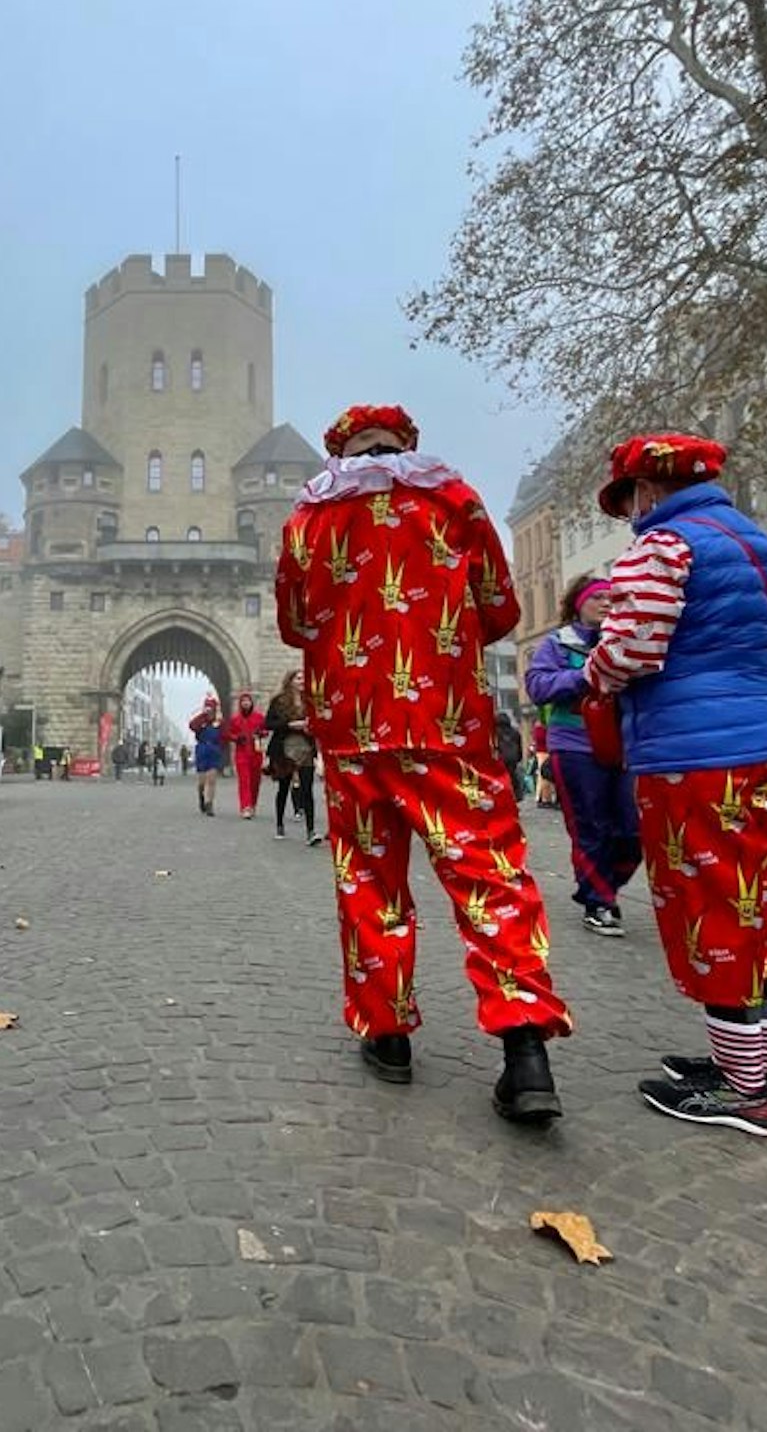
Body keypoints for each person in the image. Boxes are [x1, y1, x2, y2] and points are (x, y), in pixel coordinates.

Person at [277, 403, 570, 1118]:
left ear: (341, 450)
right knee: (489, 875)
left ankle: (388, 1033)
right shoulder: (454, 501)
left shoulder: (308, 521)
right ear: (407, 445)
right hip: (447, 725)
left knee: (370, 881)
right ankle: (525, 1048)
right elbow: (501, 609)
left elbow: (294, 623)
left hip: (352, 730)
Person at [584, 432, 767, 1139]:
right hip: (764, 737)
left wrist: (593, 679)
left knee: (710, 907)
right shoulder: (756, 544)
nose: (632, 516)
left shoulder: (665, 546)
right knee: (758, 902)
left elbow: (628, 651)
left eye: (631, 501)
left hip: (692, 748)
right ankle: (758, 1068)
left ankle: (745, 1094)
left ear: (647, 490)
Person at [526, 573, 642, 936]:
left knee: (631, 834)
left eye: (612, 598)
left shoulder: (628, 643)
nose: (607, 603)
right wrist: (584, 676)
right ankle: (599, 902)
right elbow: (537, 685)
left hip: (621, 745)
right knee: (591, 826)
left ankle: (602, 886)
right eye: (598, 598)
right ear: (579, 603)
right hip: (574, 744)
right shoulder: (558, 643)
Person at [264, 668, 323, 845]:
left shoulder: (310, 701)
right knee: (283, 788)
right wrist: (290, 724)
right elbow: (268, 724)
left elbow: (319, 722)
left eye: (303, 678)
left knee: (307, 790)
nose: (301, 680)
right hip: (284, 750)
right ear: (290, 680)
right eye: (298, 678)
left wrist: (309, 726)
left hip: (305, 748)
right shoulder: (279, 701)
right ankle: (280, 825)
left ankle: (310, 831)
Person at [225, 691, 266, 818]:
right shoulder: (235, 719)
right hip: (241, 753)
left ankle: (252, 804)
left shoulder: (259, 717)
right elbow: (227, 734)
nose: (246, 703)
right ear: (240, 703)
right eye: (243, 701)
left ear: (251, 703)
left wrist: (261, 733)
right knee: (244, 780)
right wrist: (236, 738)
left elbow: (266, 730)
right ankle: (245, 806)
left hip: (256, 752)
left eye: (248, 701)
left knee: (255, 781)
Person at [189, 696, 225, 816]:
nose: (210, 710)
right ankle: (201, 796)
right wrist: (202, 716)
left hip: (214, 751)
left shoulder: (219, 722)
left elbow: (225, 734)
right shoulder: (200, 720)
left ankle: (210, 804)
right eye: (207, 707)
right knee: (202, 781)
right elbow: (192, 726)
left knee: (212, 780)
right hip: (202, 750)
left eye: (211, 707)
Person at [493, 712, 526, 801]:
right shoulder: (515, 732)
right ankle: (516, 795)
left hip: (500, 758)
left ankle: (503, 796)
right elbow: (519, 746)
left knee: (501, 778)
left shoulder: (495, 732)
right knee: (512, 776)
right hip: (513, 758)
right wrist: (519, 757)